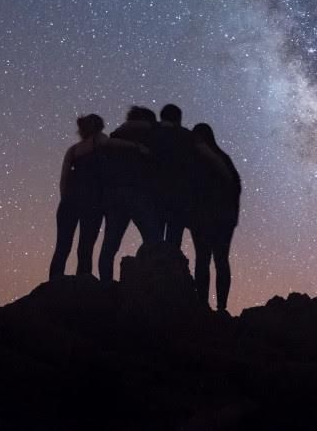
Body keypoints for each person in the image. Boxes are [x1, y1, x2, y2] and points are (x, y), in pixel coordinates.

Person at [100, 106, 161, 280]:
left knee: (110, 244)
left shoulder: (115, 136)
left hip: (114, 193)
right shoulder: (151, 134)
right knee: (153, 240)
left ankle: (105, 285)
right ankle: (154, 282)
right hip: (139, 191)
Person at [48, 114, 107, 281]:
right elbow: (109, 144)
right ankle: (83, 283)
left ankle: (55, 282)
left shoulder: (73, 150)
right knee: (85, 247)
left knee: (63, 246)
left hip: (70, 201)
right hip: (93, 201)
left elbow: (64, 179)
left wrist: (65, 199)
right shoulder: (100, 141)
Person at [190, 123, 241, 312]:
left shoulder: (194, 160)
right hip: (224, 219)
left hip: (202, 218)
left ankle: (202, 305)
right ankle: (221, 307)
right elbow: (236, 187)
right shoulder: (224, 158)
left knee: (202, 260)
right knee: (221, 260)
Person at [148, 104, 201, 248]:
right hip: (180, 193)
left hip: (155, 190)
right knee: (174, 238)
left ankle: (154, 266)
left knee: (154, 237)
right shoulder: (187, 136)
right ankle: (171, 266)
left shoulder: (151, 133)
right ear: (179, 118)